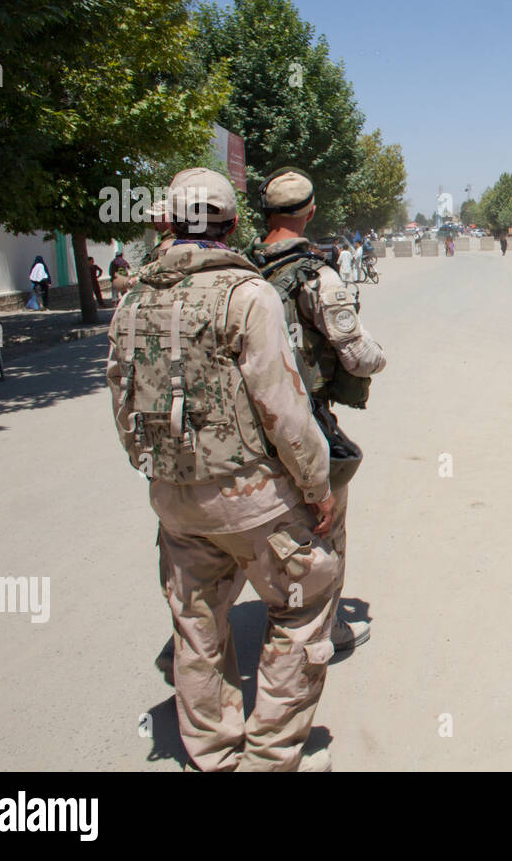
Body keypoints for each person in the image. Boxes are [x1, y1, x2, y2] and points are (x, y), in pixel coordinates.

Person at [108, 167, 343, 772]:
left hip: (175, 501)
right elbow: (284, 408)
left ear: (164, 224)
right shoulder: (246, 295)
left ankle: (213, 756)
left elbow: (121, 398)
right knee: (303, 606)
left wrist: (159, 473)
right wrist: (318, 488)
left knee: (196, 627)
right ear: (234, 224)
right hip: (252, 501)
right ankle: (270, 755)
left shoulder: (132, 299)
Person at [249, 167, 386, 651]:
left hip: (247, 428)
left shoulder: (241, 269)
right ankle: (324, 629)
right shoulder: (314, 274)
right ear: (309, 212)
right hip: (302, 424)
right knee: (324, 528)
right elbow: (361, 356)